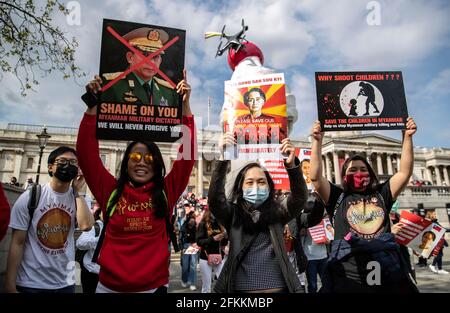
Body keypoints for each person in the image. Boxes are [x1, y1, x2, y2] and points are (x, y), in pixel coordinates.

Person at [77, 69, 194, 293]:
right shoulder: (109, 189)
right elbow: (86, 155)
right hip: (108, 288)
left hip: (153, 288)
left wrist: (185, 107)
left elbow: (186, 157)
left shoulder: (166, 192)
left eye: (149, 158)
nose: (142, 162)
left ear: (158, 164)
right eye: (135, 157)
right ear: (126, 163)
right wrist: (92, 107)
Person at [309, 117, 418, 293]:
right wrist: (316, 141)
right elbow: (315, 177)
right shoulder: (337, 197)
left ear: (371, 173)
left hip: (386, 274)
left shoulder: (382, 195)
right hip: (348, 277)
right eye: (352, 170)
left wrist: (407, 137)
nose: (358, 173)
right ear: (344, 175)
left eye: (363, 169)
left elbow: (404, 172)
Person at [208, 133, 308, 293]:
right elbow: (215, 201)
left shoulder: (278, 212)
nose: (256, 186)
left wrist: (292, 167)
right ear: (241, 189)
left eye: (261, 181)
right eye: (249, 182)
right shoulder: (233, 215)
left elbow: (300, 199)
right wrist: (222, 158)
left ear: (269, 187)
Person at [5, 146, 94, 293]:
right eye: (63, 161)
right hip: (32, 282)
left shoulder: (78, 198)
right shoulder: (31, 197)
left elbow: (86, 226)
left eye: (73, 163)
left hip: (67, 281)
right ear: (50, 167)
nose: (68, 165)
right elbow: (17, 242)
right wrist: (9, 285)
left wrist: (77, 192)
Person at [99, 27, 179, 107]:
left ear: (160, 61)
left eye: (156, 56)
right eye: (145, 55)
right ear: (130, 57)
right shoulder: (110, 85)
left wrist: (185, 103)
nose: (151, 62)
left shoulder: (169, 91)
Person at [196, 209, 228, 293]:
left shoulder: (220, 224)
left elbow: (223, 244)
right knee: (207, 287)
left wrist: (225, 237)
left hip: (219, 257)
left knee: (223, 284)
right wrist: (213, 239)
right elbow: (199, 242)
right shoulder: (203, 224)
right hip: (205, 257)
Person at [76, 208, 103, 293]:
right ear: (99, 214)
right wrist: (99, 240)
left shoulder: (116, 228)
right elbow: (80, 243)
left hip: (108, 273)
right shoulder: (95, 227)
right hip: (92, 272)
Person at [179, 212, 199, 290]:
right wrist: (181, 248)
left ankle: (192, 283)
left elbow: (199, 237)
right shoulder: (184, 227)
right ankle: (184, 280)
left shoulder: (196, 227)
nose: (192, 221)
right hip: (186, 246)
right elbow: (180, 239)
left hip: (194, 245)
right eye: (191, 219)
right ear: (188, 219)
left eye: (193, 219)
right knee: (185, 266)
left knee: (193, 265)